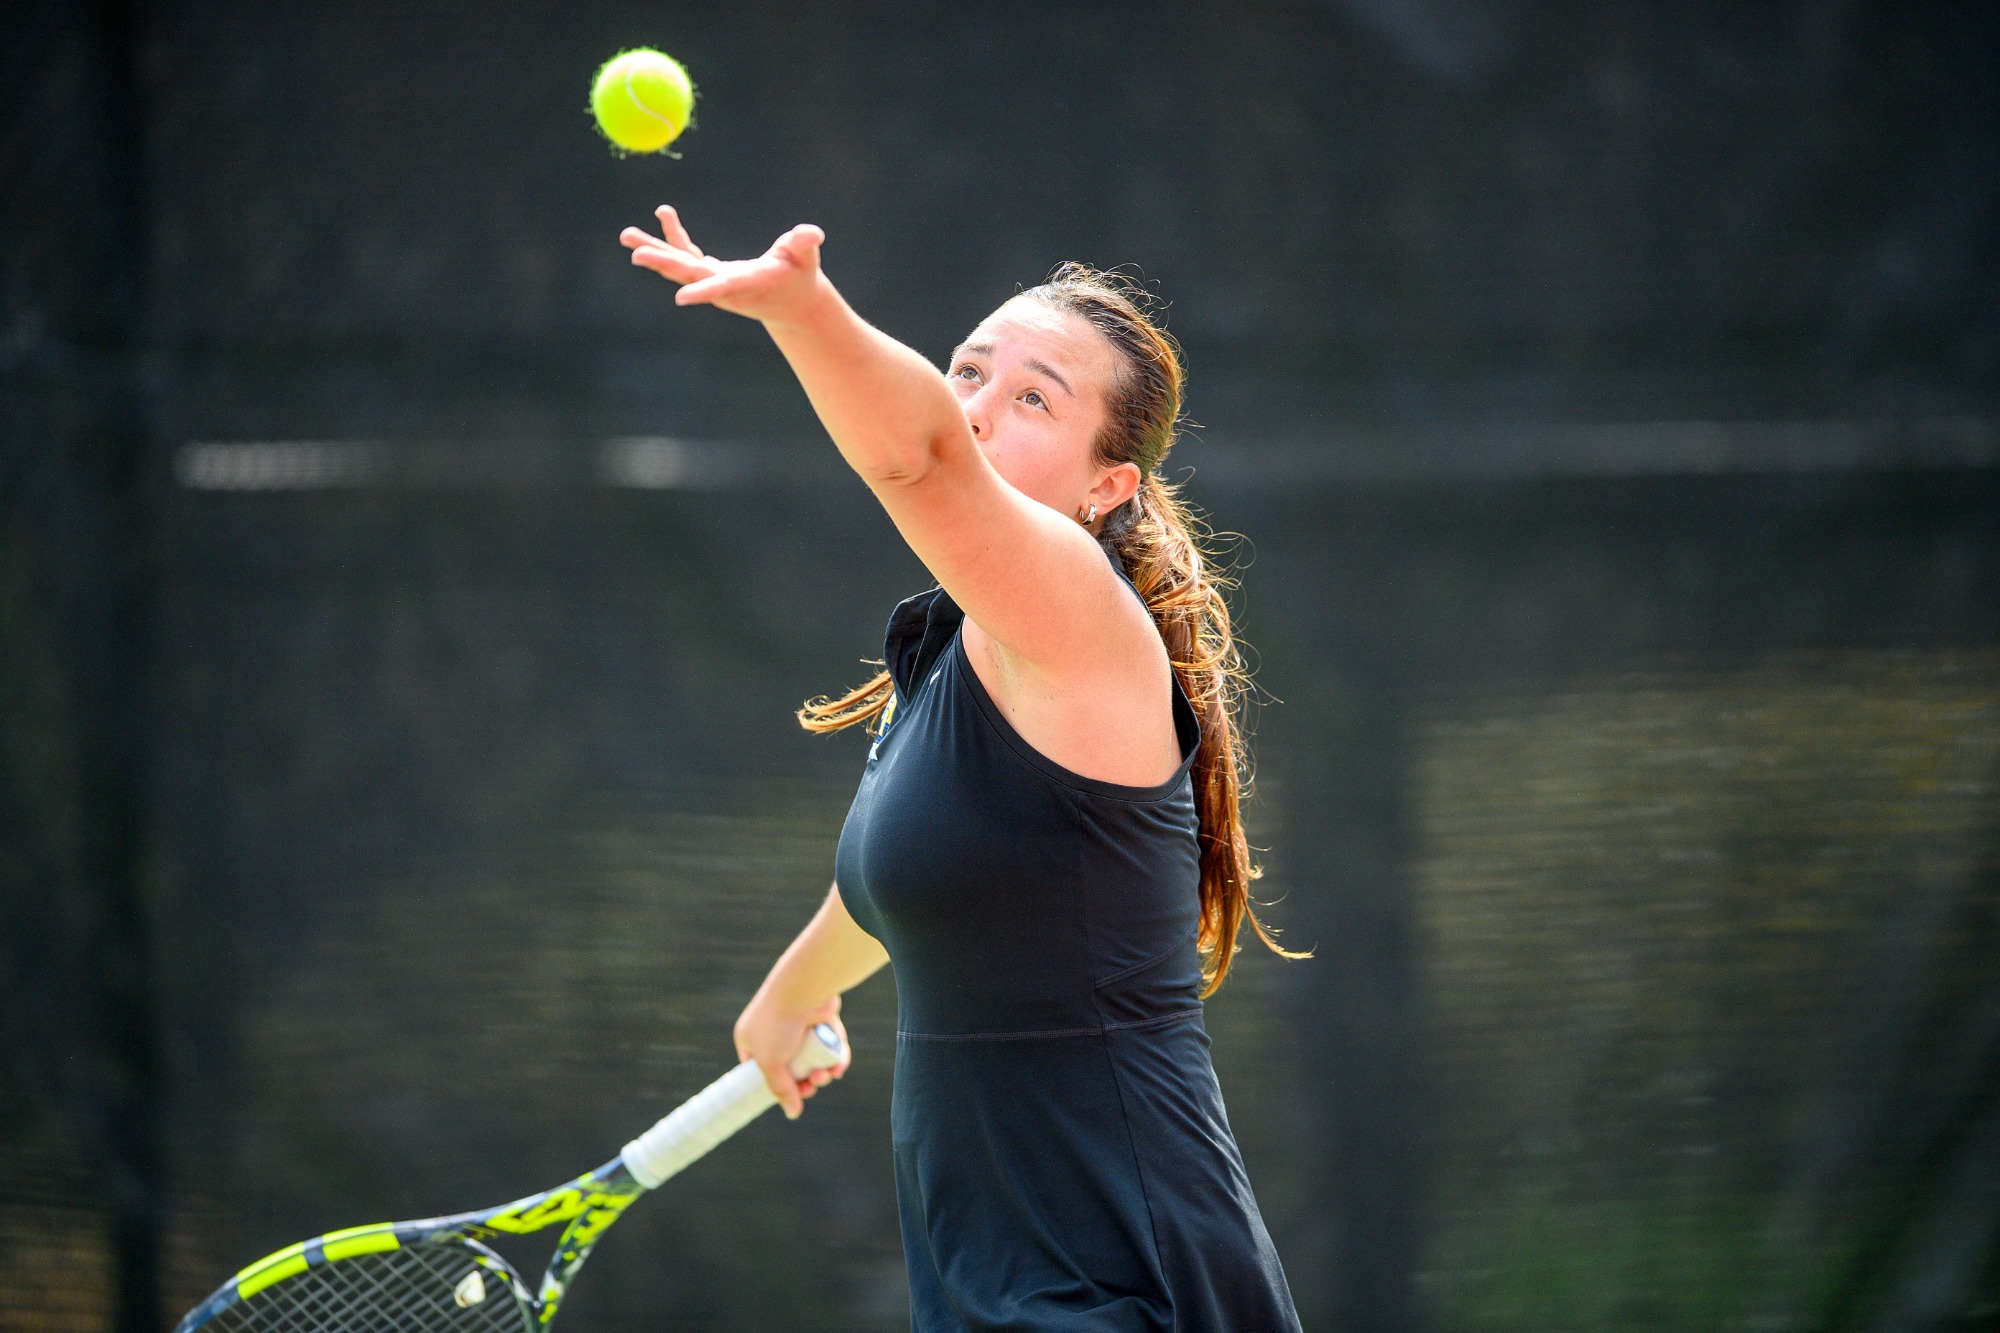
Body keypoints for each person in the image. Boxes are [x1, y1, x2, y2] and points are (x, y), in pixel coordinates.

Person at [621, 207, 1303, 1331]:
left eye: (1032, 398)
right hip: (998, 1289)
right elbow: (914, 872)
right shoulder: (952, 651)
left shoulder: (1083, 617)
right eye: (967, 372)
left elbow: (921, 454)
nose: (976, 408)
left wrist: (803, 310)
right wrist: (797, 986)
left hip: (1127, 1288)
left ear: (1107, 488)